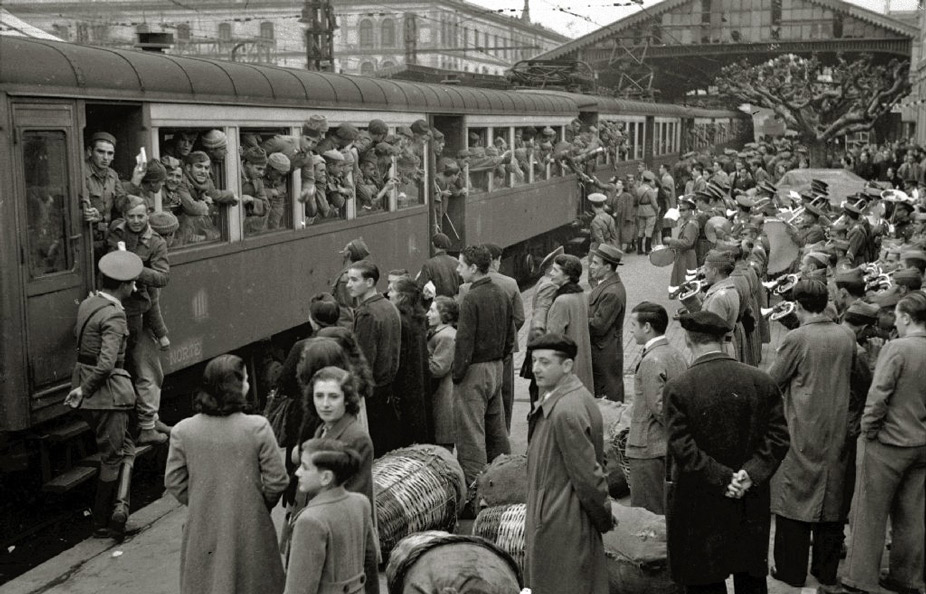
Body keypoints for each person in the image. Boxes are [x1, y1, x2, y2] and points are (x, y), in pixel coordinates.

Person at [664, 311, 790, 594]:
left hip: (699, 502)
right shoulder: (761, 381)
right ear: (723, 339)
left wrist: (723, 478)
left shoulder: (678, 388)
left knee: (705, 579)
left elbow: (682, 447)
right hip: (749, 500)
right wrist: (749, 474)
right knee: (750, 577)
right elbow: (779, 437)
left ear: (687, 340)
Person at [165, 355, 289, 594]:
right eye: (245, 380)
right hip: (251, 528)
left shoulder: (183, 431)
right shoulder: (257, 427)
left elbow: (174, 481)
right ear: (237, 386)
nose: (248, 384)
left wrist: (203, 501)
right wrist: (257, 504)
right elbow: (277, 480)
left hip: (203, 527)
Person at [766, 279, 856, 589]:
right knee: (832, 502)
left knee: (794, 501)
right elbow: (860, 378)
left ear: (799, 305)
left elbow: (772, 382)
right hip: (837, 431)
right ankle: (825, 570)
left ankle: (790, 570)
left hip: (802, 430)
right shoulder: (846, 335)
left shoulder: (797, 338)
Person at [841, 292, 926, 594]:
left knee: (869, 512)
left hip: (887, 442)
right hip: (921, 443)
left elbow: (878, 395)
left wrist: (868, 430)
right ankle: (908, 578)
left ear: (906, 318)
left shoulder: (897, 348)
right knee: (912, 516)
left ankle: (859, 578)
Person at [525, 333, 614, 594]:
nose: (536, 369)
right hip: (559, 517)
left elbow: (588, 476)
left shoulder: (565, 410)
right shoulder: (568, 398)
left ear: (567, 365)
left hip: (561, 524)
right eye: (534, 361)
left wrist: (604, 516)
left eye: (544, 362)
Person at [65, 250, 143, 540]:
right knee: (114, 456)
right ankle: (106, 521)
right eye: (132, 283)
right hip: (106, 395)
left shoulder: (89, 303)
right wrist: (84, 390)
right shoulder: (114, 315)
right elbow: (108, 363)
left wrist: (81, 388)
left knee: (125, 448)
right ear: (123, 285)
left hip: (88, 388)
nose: (134, 287)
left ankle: (119, 509)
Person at [106, 196, 171, 445]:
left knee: (149, 372)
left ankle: (148, 422)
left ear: (147, 216)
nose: (136, 221)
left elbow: (163, 277)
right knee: (119, 371)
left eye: (141, 216)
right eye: (131, 216)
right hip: (115, 311)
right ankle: (139, 424)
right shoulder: (116, 231)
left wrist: (132, 268)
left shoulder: (156, 242)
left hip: (139, 312)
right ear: (124, 216)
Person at [285, 438, 379, 594]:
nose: (297, 472)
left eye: (305, 467)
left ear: (326, 478)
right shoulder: (360, 503)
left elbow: (299, 589)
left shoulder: (310, 520)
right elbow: (370, 562)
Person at [453, 245, 513, 488]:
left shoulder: (471, 297)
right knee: (496, 431)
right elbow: (510, 336)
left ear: (474, 268)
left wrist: (458, 374)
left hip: (474, 371)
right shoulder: (501, 292)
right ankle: (506, 479)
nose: (458, 270)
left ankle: (475, 490)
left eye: (461, 265)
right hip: (496, 368)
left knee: (471, 435)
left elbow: (464, 340)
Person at [627, 302, 687, 515]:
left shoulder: (652, 360)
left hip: (647, 447)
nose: (630, 330)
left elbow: (659, 407)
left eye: (633, 325)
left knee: (647, 515)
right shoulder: (675, 353)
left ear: (647, 327)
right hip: (665, 446)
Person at [348, 260, 402, 455]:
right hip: (387, 389)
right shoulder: (389, 306)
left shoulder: (367, 314)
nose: (348, 285)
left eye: (354, 280)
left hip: (372, 395)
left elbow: (363, 361)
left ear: (369, 282)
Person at [485, 243, 525, 432]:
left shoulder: (466, 287)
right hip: (505, 347)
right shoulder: (510, 283)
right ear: (495, 260)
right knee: (505, 389)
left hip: (481, 349)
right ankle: (504, 430)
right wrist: (507, 334)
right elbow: (520, 317)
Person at [82, 132, 143, 254]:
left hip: (106, 234)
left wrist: (135, 181)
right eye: (100, 152)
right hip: (86, 235)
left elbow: (121, 203)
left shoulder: (112, 175)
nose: (105, 158)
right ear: (90, 151)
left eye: (110, 153)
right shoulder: (81, 172)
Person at [388, 278, 432, 446]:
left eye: (392, 291)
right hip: (419, 379)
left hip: (406, 382)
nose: (388, 294)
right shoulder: (418, 318)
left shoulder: (400, 321)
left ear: (402, 297)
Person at [520, 247, 563, 407]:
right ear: (552, 268)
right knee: (539, 386)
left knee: (537, 384)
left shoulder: (544, 281)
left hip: (537, 339)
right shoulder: (549, 286)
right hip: (541, 339)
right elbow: (541, 313)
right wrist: (542, 343)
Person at [546, 254, 594, 393]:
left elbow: (553, 339)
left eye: (555, 270)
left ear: (567, 276)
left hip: (565, 368)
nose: (551, 273)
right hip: (580, 364)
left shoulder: (561, 301)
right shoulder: (582, 296)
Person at [587, 244, 626, 402]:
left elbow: (598, 326)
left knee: (607, 396)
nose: (591, 266)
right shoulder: (606, 285)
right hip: (603, 350)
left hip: (604, 354)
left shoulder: (612, 293)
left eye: (595, 263)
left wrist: (577, 318)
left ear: (608, 267)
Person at [426, 296, 458, 450]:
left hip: (443, 395)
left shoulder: (446, 336)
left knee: (443, 441)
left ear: (444, 315)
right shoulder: (442, 333)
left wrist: (421, 356)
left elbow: (438, 368)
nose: (427, 314)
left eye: (432, 311)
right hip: (441, 393)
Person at [332, 238, 371, 328]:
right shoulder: (360, 274)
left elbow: (345, 311)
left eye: (345, 248)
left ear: (348, 254)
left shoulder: (346, 279)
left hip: (347, 327)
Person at [666, 196, 700, 288]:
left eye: (683, 210)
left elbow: (687, 243)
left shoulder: (690, 224)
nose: (681, 212)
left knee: (685, 283)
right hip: (684, 255)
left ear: (690, 210)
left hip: (687, 256)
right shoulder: (687, 222)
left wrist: (671, 241)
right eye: (680, 210)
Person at [416, 233, 461, 299]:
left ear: (433, 244)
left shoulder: (429, 264)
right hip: (453, 301)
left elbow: (420, 287)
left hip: (436, 302)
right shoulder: (456, 262)